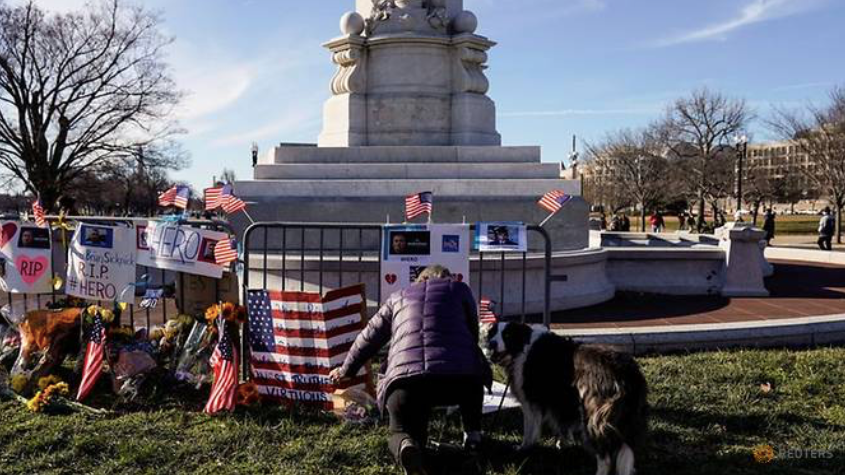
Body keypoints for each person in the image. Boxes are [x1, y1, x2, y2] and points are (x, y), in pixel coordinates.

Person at [329, 265, 491, 475]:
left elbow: (368, 338)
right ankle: (473, 438)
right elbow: (471, 334)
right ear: (447, 278)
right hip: (459, 378)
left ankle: (407, 445)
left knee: (401, 430)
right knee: (471, 376)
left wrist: (345, 371)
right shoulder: (460, 289)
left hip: (406, 380)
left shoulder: (397, 298)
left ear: (419, 281)